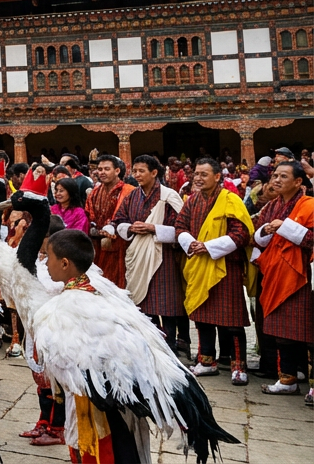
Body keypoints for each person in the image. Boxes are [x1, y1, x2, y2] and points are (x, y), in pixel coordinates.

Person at [0, 165, 236, 464]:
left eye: (47, 257)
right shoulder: (77, 291)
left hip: (106, 403)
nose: (43, 263)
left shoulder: (64, 308)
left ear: (63, 263)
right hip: (101, 394)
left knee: (105, 443)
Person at [176, 158, 255, 385]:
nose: (198, 178)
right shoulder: (192, 201)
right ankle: (206, 361)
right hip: (199, 264)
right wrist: (191, 243)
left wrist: (209, 247)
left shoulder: (230, 200)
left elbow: (241, 234)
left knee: (232, 319)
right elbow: (180, 226)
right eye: (196, 174)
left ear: (218, 176)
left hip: (224, 265)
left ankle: (238, 366)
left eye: (204, 174)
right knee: (202, 317)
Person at [110, 154, 188, 358]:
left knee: (167, 303)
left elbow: (181, 227)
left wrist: (153, 227)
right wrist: (131, 228)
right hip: (138, 252)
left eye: (141, 171)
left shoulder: (169, 196)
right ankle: (149, 343)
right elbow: (119, 220)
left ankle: (170, 344)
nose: (137, 175)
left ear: (154, 173)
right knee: (143, 303)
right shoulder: (132, 196)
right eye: (134, 171)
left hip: (163, 255)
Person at [250, 161, 314, 398]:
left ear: (298, 182)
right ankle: (287, 379)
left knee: (307, 332)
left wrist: (285, 227)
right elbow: (256, 238)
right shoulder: (270, 207)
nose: (276, 180)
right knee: (282, 331)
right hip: (275, 272)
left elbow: (311, 239)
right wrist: (266, 231)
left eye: (283, 176)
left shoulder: (309, 205)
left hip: (302, 276)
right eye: (275, 175)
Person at [86, 155, 134, 289]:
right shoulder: (95, 191)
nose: (102, 172)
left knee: (121, 284)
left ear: (117, 171)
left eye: (106, 169)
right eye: (100, 169)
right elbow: (89, 214)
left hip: (122, 244)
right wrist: (93, 227)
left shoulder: (129, 191)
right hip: (99, 244)